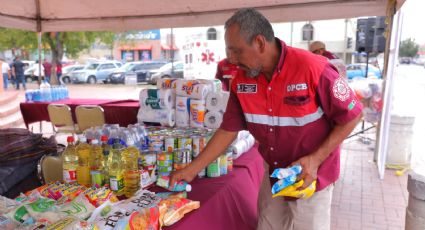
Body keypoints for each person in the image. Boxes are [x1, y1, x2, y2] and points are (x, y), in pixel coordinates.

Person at [170, 8, 362, 230]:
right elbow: (228, 129)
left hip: (312, 177)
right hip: (275, 174)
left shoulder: (313, 68)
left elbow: (352, 115)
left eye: (236, 51)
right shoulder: (241, 80)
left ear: (260, 43)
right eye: (228, 50)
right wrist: (193, 168)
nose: (231, 59)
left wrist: (315, 159)